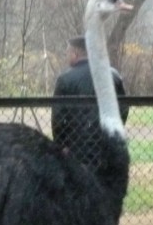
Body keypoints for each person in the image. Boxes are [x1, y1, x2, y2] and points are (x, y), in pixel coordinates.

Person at [51, 35, 129, 169]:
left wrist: (62, 144)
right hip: (107, 143)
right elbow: (123, 108)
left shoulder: (65, 79)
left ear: (75, 54)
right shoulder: (113, 75)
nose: (66, 56)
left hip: (76, 146)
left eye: (67, 53)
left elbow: (58, 118)